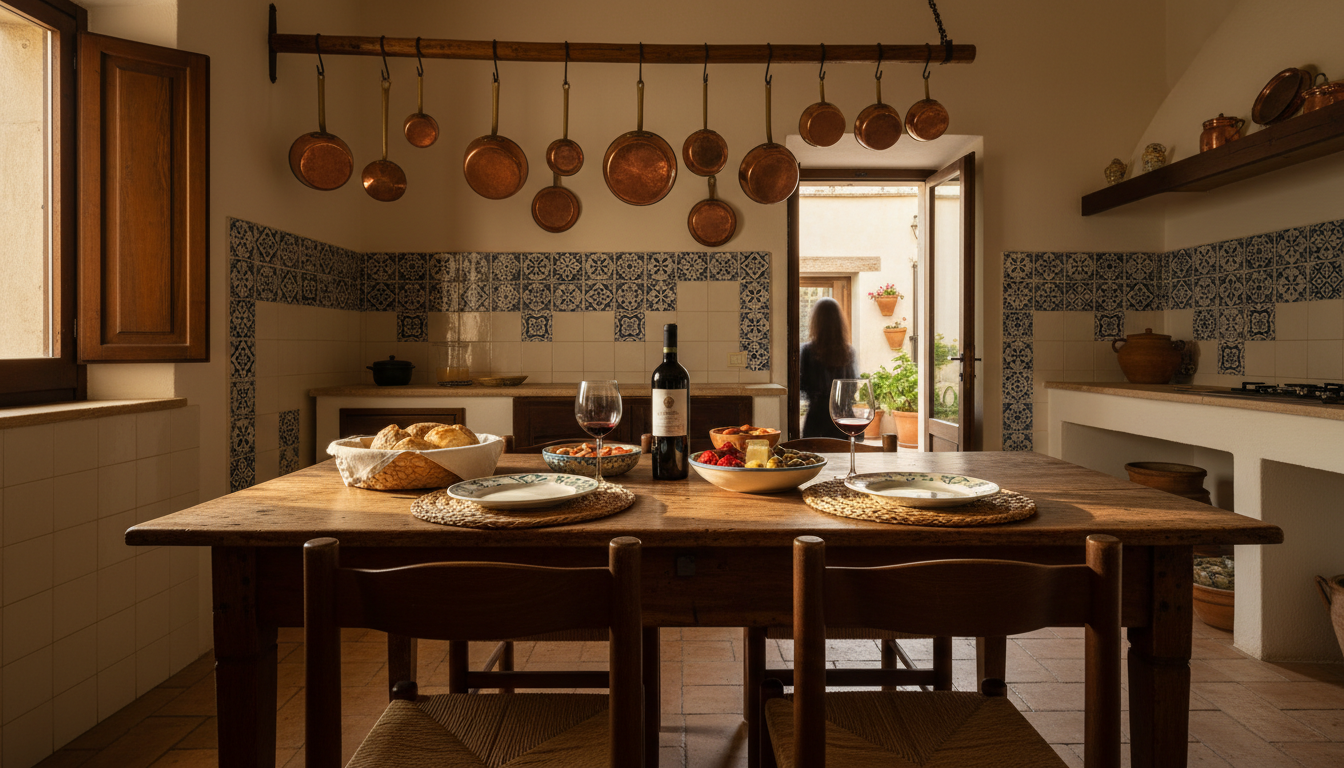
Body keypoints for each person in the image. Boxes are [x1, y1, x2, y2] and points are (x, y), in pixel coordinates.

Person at [799, 297, 859, 439]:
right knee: (842, 452)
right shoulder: (848, 351)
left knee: (813, 452)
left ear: (815, 322)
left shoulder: (807, 351)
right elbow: (852, 386)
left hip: (816, 418)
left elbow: (801, 385)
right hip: (842, 418)